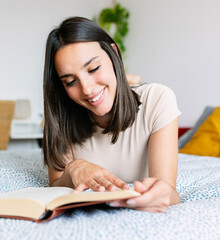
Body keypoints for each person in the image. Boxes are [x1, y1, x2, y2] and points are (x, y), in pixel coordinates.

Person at [42, 16, 181, 213]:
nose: (88, 89)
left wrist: (158, 196)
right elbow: (55, 186)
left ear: (113, 52)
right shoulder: (59, 116)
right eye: (70, 81)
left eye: (93, 68)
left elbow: (169, 191)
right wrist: (73, 169)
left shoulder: (157, 99)